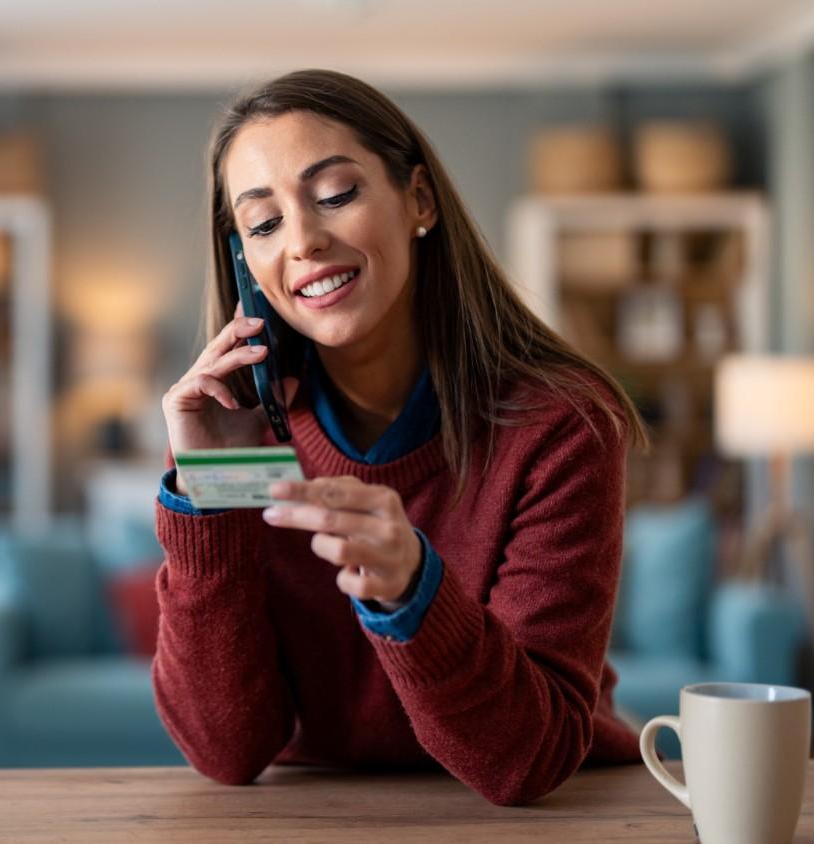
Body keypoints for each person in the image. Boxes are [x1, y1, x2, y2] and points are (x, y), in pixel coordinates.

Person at [154, 69, 650, 807]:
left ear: (419, 200)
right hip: (316, 815)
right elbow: (227, 751)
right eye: (263, 225)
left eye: (335, 195)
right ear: (244, 264)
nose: (305, 241)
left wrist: (415, 591)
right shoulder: (242, 430)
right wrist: (212, 493)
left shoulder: (558, 424)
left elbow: (527, 761)